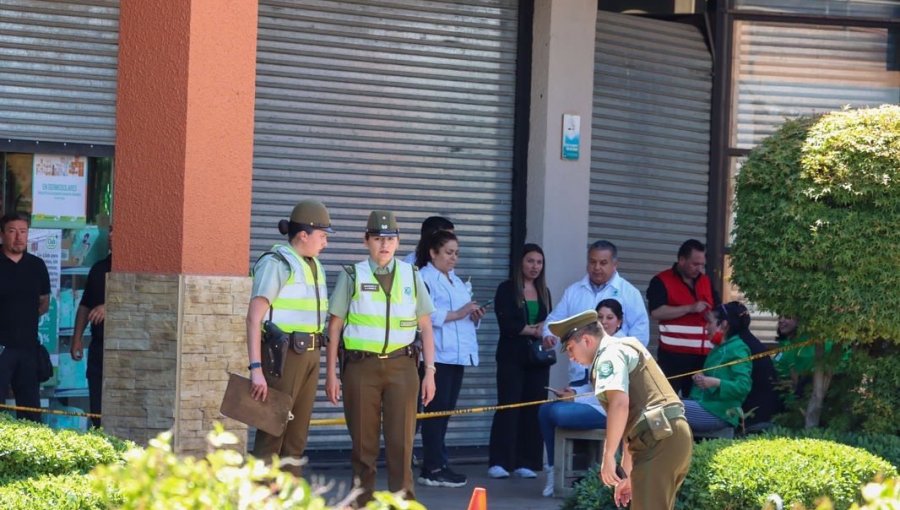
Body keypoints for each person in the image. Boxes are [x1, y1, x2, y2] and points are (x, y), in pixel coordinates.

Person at [326, 210, 437, 507]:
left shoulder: (412, 276)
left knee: (402, 444)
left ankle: (403, 503)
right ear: (366, 241)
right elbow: (334, 327)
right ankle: (360, 503)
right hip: (362, 368)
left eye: (389, 239)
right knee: (364, 445)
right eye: (377, 239)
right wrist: (331, 374)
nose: (384, 245)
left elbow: (425, 326)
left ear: (398, 242)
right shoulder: (352, 275)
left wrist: (430, 372)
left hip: (403, 367)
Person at [552, 310, 692, 510]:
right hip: (664, 436)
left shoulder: (608, 355)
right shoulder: (625, 345)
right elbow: (632, 424)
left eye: (571, 349)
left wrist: (608, 456)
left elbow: (619, 404)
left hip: (657, 439)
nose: (571, 358)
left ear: (586, 340)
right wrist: (628, 476)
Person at [245, 200, 333, 475]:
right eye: (322, 235)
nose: (326, 243)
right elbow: (253, 317)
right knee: (271, 438)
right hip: (282, 359)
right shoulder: (277, 264)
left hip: (309, 355)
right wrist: (256, 368)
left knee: (296, 441)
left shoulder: (313, 265)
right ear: (303, 235)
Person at [417, 230, 484, 488]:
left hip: (457, 355)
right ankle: (431, 467)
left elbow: (461, 317)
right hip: (438, 356)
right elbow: (426, 315)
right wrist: (458, 313)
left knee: (446, 413)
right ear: (433, 253)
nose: (453, 258)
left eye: (456, 253)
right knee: (435, 413)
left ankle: (440, 463)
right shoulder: (424, 278)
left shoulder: (455, 280)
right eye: (448, 252)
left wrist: (473, 315)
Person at [537, 298, 623, 497]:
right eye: (600, 317)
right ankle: (552, 469)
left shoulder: (618, 347)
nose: (604, 322)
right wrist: (573, 393)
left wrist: (575, 399)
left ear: (619, 321)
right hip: (594, 403)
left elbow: (609, 394)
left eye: (610, 317)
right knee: (545, 409)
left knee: (558, 412)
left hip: (610, 410)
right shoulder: (599, 345)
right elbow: (593, 385)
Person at [488, 244, 552, 481]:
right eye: (530, 261)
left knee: (533, 408)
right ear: (520, 263)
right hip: (511, 357)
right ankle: (500, 460)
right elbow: (507, 324)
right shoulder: (507, 289)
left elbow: (549, 321)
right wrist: (531, 330)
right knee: (508, 407)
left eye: (539, 262)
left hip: (537, 359)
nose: (535, 267)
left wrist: (541, 332)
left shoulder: (544, 290)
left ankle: (527, 461)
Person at [647, 239, 720, 396]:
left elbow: (718, 309)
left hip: (703, 357)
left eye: (702, 264)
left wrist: (712, 317)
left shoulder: (706, 281)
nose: (699, 268)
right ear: (681, 260)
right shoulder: (661, 280)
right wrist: (690, 308)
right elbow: (656, 312)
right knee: (666, 400)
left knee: (697, 403)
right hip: (673, 356)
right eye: (695, 264)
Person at [543, 240, 649, 347]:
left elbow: (641, 333)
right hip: (579, 361)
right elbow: (554, 321)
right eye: (592, 262)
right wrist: (549, 335)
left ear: (615, 265)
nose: (597, 267)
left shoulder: (629, 293)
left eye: (603, 263)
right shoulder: (573, 291)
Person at [0, 213, 50, 423]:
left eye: (23, 232)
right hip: (1, 347)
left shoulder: (37, 266)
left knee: (30, 409)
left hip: (28, 347)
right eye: (12, 231)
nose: (18, 237)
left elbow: (43, 303)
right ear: (2, 235)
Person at [682, 302, 752, 433]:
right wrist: (703, 377)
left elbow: (743, 386)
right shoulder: (720, 347)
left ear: (724, 324)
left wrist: (715, 383)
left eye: (710, 322)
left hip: (721, 412)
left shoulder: (738, 349)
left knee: (667, 408)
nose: (706, 327)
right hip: (707, 405)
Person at [71, 226, 112, 428]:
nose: (111, 236)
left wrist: (109, 306)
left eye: (117, 232)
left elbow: (143, 301)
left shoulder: (137, 267)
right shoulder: (98, 268)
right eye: (110, 231)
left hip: (123, 352)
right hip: (98, 347)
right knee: (97, 408)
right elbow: (85, 305)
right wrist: (77, 338)